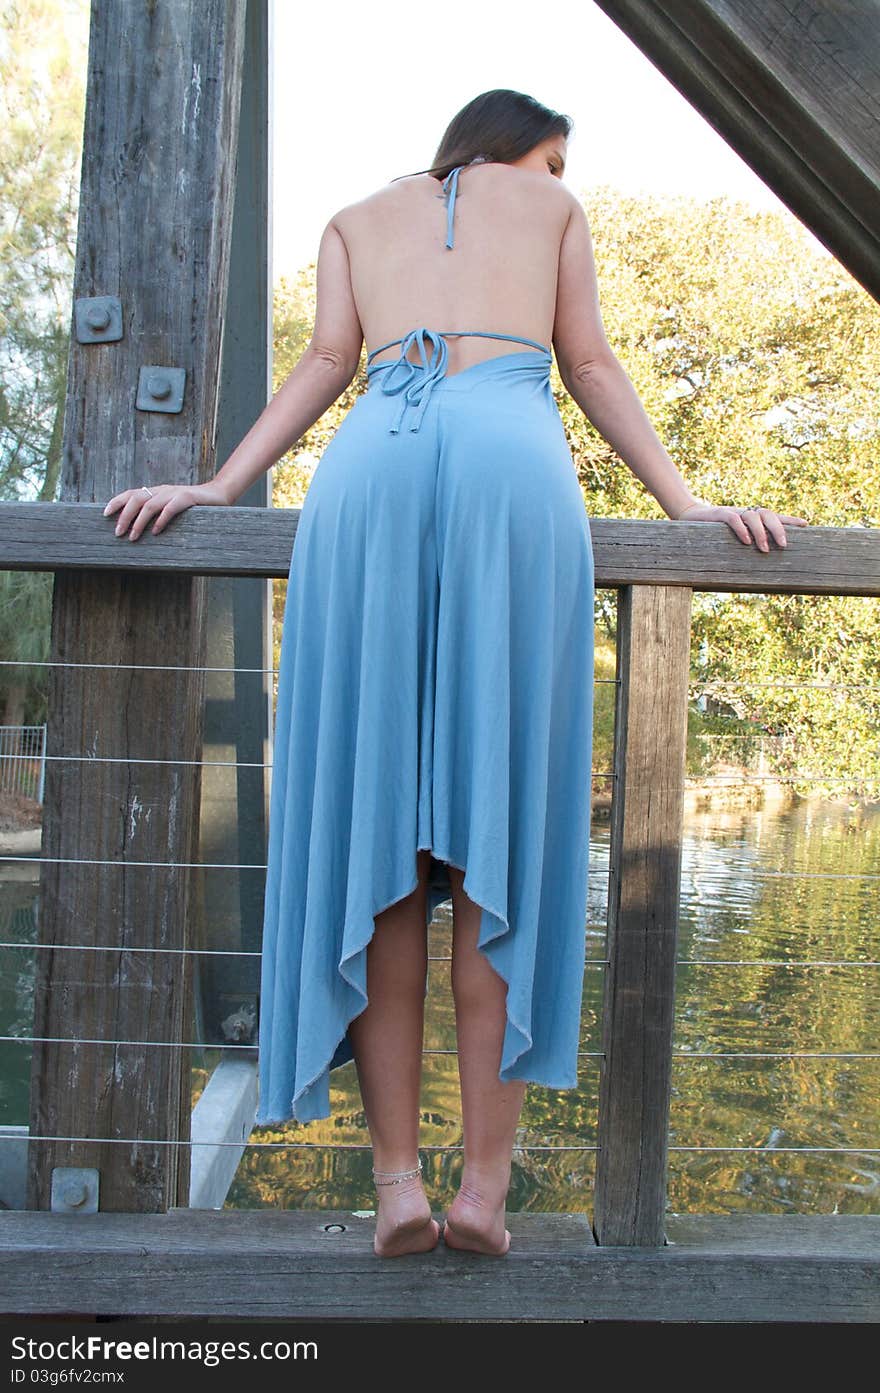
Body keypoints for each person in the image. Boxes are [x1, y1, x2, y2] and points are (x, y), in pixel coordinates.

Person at [103, 89, 808, 1260]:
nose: (558, 167)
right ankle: (483, 1187)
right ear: (520, 150)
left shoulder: (351, 218)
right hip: (507, 470)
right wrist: (690, 507)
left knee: (378, 847)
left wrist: (221, 487)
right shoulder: (552, 204)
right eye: (554, 150)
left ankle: (394, 1186)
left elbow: (329, 361)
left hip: (370, 474)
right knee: (497, 837)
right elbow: (586, 359)